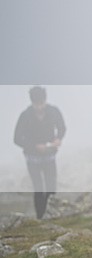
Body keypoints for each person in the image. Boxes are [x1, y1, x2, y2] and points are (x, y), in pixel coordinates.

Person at [13, 86, 66, 220]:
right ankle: (40, 217)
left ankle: (52, 215)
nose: (39, 107)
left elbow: (62, 127)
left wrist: (58, 139)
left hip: (50, 155)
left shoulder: (53, 111)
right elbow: (17, 138)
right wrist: (35, 147)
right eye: (37, 104)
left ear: (45, 100)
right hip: (33, 158)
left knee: (51, 186)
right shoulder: (25, 115)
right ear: (32, 102)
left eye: (41, 103)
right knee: (38, 188)